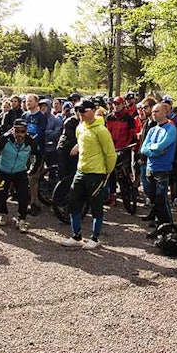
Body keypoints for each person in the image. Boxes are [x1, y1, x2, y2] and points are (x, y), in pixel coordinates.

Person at [61, 99, 117, 249]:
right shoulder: (80, 127)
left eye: (83, 111)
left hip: (97, 173)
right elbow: (81, 144)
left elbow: (111, 154)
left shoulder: (102, 130)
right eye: (78, 111)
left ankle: (95, 238)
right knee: (73, 202)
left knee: (96, 206)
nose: (81, 114)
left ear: (93, 110)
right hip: (81, 171)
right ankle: (76, 236)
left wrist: (107, 173)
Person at [0, 119, 42, 231]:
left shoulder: (30, 141)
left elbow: (39, 156)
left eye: (22, 131)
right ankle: (3, 213)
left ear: (26, 131)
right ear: (13, 130)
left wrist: (33, 170)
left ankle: (22, 219)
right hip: (3, 170)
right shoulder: (5, 139)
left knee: (24, 196)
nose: (19, 134)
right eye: (17, 131)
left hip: (20, 172)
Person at [140, 103, 177, 227]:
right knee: (153, 198)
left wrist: (152, 149)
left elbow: (163, 145)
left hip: (163, 168)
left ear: (164, 112)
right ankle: (158, 222)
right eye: (153, 112)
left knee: (161, 199)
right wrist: (154, 152)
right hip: (150, 168)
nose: (153, 114)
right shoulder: (152, 129)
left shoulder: (171, 128)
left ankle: (168, 224)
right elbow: (143, 149)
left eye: (156, 111)